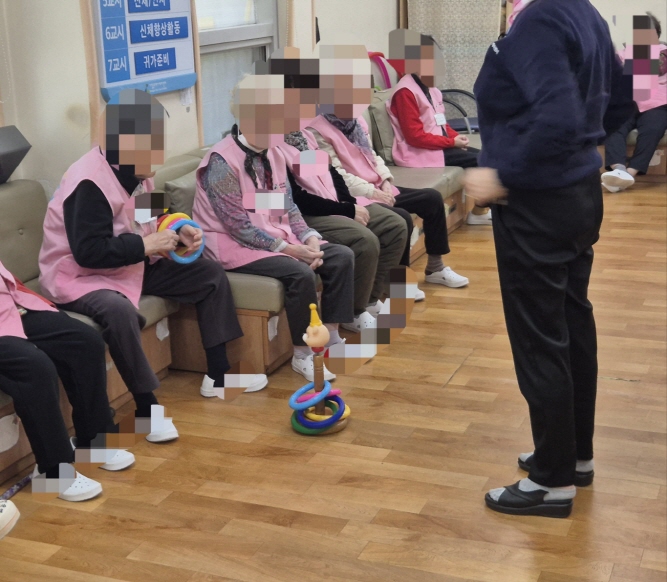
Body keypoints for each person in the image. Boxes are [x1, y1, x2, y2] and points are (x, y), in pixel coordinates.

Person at [467, 0, 634, 517]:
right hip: (577, 195)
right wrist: (585, 150)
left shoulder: (539, 21)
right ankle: (572, 454)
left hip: (537, 202)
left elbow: (558, 117)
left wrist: (502, 173)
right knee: (571, 322)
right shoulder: (583, 11)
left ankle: (551, 481)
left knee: (539, 337)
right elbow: (622, 98)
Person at [38, 90, 267, 443]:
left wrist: (180, 228)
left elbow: (155, 212)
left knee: (208, 274)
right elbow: (88, 252)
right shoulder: (88, 182)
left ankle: (218, 375)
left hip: (130, 265)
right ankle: (147, 408)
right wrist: (146, 245)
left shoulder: (138, 169)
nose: (158, 152)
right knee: (118, 312)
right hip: (80, 277)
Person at [192, 75, 355, 382]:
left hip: (273, 236)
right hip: (231, 245)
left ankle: (331, 336)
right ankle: (303, 354)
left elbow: (285, 205)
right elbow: (238, 227)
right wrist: (291, 249)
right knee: (299, 273)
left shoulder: (274, 151)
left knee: (341, 256)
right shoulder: (220, 162)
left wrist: (309, 237)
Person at [308, 45, 469, 302]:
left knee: (431, 199)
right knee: (401, 218)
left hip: (378, 187)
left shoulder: (356, 120)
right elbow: (336, 175)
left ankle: (435, 267)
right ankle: (396, 283)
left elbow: (372, 156)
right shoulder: (316, 129)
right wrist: (372, 192)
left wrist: (385, 180)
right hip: (356, 195)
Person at [0, 259, 134, 503]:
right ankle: (52, 473)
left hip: (11, 305)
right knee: (35, 367)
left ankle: (94, 441)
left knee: (85, 342)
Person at [280, 129, 407, 332]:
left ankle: (370, 300)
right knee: (364, 240)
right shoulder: (272, 149)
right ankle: (354, 311)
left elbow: (331, 173)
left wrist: (348, 204)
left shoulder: (304, 136)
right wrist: (346, 210)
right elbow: (295, 200)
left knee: (394, 225)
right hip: (309, 214)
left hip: (333, 204)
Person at [386, 29, 491, 226]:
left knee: (488, 156)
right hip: (418, 152)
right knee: (483, 160)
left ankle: (480, 210)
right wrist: (451, 142)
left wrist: (456, 138)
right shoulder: (404, 92)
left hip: (437, 146)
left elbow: (441, 123)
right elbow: (414, 136)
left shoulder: (431, 88)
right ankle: (479, 212)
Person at [601, 12, 667, 192]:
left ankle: (629, 173)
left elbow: (658, 67)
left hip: (656, 104)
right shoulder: (623, 53)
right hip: (627, 102)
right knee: (612, 124)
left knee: (653, 129)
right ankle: (619, 170)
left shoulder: (663, 51)